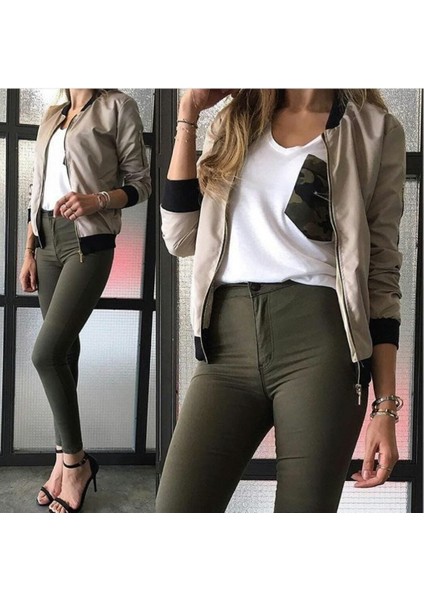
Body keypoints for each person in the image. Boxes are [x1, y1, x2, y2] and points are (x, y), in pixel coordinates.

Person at [156, 88, 405, 513]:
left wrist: (385, 407)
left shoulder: (373, 130)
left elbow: (381, 270)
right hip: (226, 349)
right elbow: (180, 236)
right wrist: (188, 113)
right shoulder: (235, 121)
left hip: (320, 347)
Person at [19, 89, 151, 513]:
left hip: (87, 242)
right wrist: (29, 250)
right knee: (65, 352)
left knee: (46, 354)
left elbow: (140, 184)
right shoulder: (53, 113)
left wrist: (96, 200)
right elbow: (37, 187)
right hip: (46, 241)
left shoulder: (117, 107)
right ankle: (62, 460)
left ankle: (76, 464)